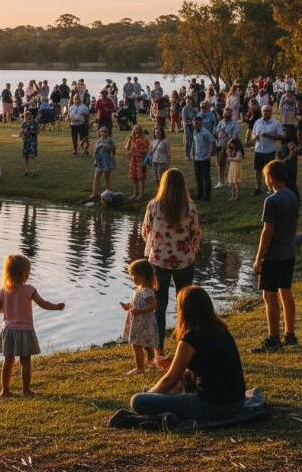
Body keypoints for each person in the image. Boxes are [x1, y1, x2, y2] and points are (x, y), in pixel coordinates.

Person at [129, 287, 246, 420]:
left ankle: (159, 399)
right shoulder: (221, 330)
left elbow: (169, 380)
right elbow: (209, 361)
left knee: (138, 401)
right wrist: (176, 360)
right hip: (237, 403)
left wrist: (150, 394)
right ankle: (168, 397)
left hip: (211, 406)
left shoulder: (190, 338)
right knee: (184, 378)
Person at [141, 169, 202, 359]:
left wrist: (158, 246)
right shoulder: (189, 207)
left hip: (159, 260)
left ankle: (159, 348)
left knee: (159, 304)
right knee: (185, 303)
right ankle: (184, 343)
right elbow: (196, 233)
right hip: (184, 259)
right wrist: (191, 250)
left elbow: (145, 232)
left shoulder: (154, 206)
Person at [0, 254, 65, 397]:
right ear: (23, 273)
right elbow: (43, 303)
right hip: (25, 331)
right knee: (25, 361)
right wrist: (57, 307)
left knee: (8, 360)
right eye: (28, 272)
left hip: (8, 331)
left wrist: (9, 309)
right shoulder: (29, 289)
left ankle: (5, 390)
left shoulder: (2, 291)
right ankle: (26, 390)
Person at [251, 160, 299, 353]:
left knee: (269, 295)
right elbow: (295, 224)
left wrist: (258, 257)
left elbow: (267, 231)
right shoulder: (293, 196)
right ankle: (290, 334)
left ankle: (273, 339)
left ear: (270, 178)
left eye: (265, 178)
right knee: (285, 291)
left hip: (273, 256)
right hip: (288, 253)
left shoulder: (271, 201)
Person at [120, 259, 159, 375]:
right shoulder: (139, 290)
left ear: (143, 276)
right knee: (142, 342)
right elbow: (136, 302)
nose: (132, 278)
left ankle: (140, 368)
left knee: (136, 345)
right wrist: (129, 305)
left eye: (134, 275)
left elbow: (153, 305)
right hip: (138, 321)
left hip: (143, 322)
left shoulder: (147, 291)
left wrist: (140, 311)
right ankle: (150, 352)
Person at [250, 105, 283, 195]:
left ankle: (272, 188)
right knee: (258, 170)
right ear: (262, 112)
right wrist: (255, 137)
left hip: (269, 151)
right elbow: (252, 135)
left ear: (271, 112)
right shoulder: (257, 122)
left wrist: (270, 135)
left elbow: (280, 136)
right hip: (258, 150)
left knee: (270, 171)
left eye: (268, 111)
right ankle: (257, 188)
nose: (266, 113)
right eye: (264, 111)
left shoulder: (275, 123)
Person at [191, 115, 215, 202]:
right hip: (197, 158)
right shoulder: (194, 132)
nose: (195, 124)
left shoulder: (205, 133)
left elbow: (213, 142)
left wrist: (210, 154)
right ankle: (200, 195)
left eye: (197, 122)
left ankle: (206, 196)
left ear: (201, 123)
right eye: (194, 122)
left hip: (204, 158)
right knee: (198, 177)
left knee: (205, 177)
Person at [214, 108, 239, 189]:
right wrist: (218, 135)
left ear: (231, 115)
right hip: (220, 145)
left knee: (230, 164)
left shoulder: (234, 124)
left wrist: (226, 135)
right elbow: (217, 132)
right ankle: (221, 181)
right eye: (225, 113)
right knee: (220, 164)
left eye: (228, 114)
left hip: (229, 147)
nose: (226, 115)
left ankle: (231, 181)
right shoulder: (221, 122)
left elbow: (235, 137)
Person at [125, 125, 150, 200]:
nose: (136, 130)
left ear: (141, 130)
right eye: (135, 129)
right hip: (133, 160)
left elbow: (147, 151)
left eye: (138, 129)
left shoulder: (144, 139)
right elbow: (127, 148)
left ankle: (141, 194)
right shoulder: (132, 139)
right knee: (134, 176)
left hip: (140, 160)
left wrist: (145, 161)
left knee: (141, 177)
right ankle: (135, 192)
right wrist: (129, 140)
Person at [91, 126, 116, 200]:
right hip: (99, 161)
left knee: (106, 177)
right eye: (102, 132)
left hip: (107, 160)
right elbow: (96, 151)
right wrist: (95, 159)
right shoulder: (98, 141)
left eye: (105, 132)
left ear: (107, 133)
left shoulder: (110, 140)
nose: (103, 133)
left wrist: (109, 148)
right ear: (99, 133)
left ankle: (107, 193)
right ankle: (95, 193)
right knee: (96, 177)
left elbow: (113, 149)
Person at [278, 126, 300, 202]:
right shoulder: (285, 142)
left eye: (284, 132)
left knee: (291, 184)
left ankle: (294, 200)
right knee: (288, 184)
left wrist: (283, 161)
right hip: (286, 166)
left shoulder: (290, 143)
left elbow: (292, 154)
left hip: (290, 167)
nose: (282, 133)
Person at [19, 110, 40, 177]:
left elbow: (38, 130)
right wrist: (21, 133)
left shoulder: (35, 123)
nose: (26, 117)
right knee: (25, 157)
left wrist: (32, 132)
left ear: (31, 116)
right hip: (25, 141)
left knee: (32, 156)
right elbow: (21, 131)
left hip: (32, 142)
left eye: (27, 116)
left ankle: (34, 171)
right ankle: (26, 171)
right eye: (25, 116)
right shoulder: (24, 123)